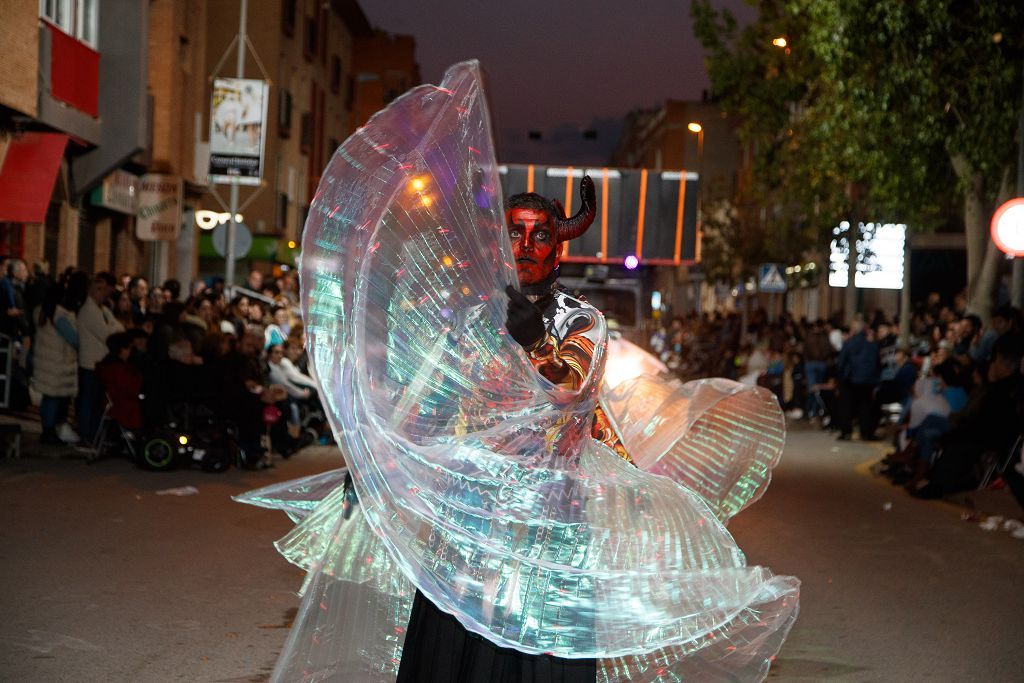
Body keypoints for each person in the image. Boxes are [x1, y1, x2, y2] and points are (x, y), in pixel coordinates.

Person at [237, 63, 797, 682]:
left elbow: (568, 389)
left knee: (535, 657)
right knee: (458, 652)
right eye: (516, 235)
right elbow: (434, 399)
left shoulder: (580, 319)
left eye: (541, 236)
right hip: (470, 516)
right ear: (500, 244)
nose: (528, 247)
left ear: (560, 247)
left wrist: (532, 338)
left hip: (550, 521)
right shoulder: (470, 318)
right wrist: (376, 464)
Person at [33, 271, 89, 444]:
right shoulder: (60, 316)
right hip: (59, 363)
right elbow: (73, 339)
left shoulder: (42, 313)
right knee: (54, 398)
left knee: (48, 398)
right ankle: (49, 431)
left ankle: (47, 430)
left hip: (47, 362)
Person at [77, 272, 124, 442]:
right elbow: (108, 335)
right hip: (90, 363)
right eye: (101, 290)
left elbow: (119, 328)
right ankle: (87, 435)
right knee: (89, 402)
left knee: (97, 402)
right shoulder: (88, 311)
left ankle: (93, 434)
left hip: (99, 363)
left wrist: (113, 326)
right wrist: (113, 327)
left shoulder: (102, 310)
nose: (104, 294)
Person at [836, 318, 881, 440]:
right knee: (866, 407)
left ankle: (846, 431)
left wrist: (841, 377)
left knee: (847, 406)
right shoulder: (872, 345)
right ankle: (866, 432)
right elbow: (877, 363)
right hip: (867, 380)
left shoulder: (849, 343)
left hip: (851, 380)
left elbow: (841, 363)